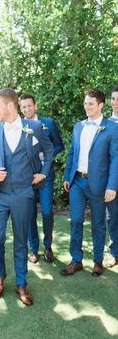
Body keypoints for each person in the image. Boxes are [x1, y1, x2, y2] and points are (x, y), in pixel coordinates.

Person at [0, 88, 53, 305]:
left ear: (10, 105)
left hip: (23, 194)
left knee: (21, 241)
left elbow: (49, 150)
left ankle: (21, 283)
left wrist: (43, 172)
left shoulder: (35, 127)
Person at [62, 88, 118, 277]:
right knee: (76, 220)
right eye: (85, 103)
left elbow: (115, 160)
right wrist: (67, 177)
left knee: (98, 224)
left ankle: (97, 261)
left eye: (91, 103)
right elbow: (72, 153)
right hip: (77, 181)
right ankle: (76, 260)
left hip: (99, 184)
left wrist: (111, 186)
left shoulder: (111, 128)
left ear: (101, 105)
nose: (87, 106)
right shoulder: (78, 126)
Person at [19, 93, 64, 263]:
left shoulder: (48, 123)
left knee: (46, 212)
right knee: (29, 215)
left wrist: (45, 155)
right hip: (27, 178)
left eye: (29, 105)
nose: (27, 109)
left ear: (35, 105)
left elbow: (59, 145)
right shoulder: (18, 125)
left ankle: (48, 246)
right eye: (23, 106)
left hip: (45, 177)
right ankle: (34, 249)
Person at [106, 85, 118, 267]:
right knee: (112, 216)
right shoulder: (105, 124)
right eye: (113, 99)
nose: (115, 103)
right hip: (111, 179)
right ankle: (115, 252)